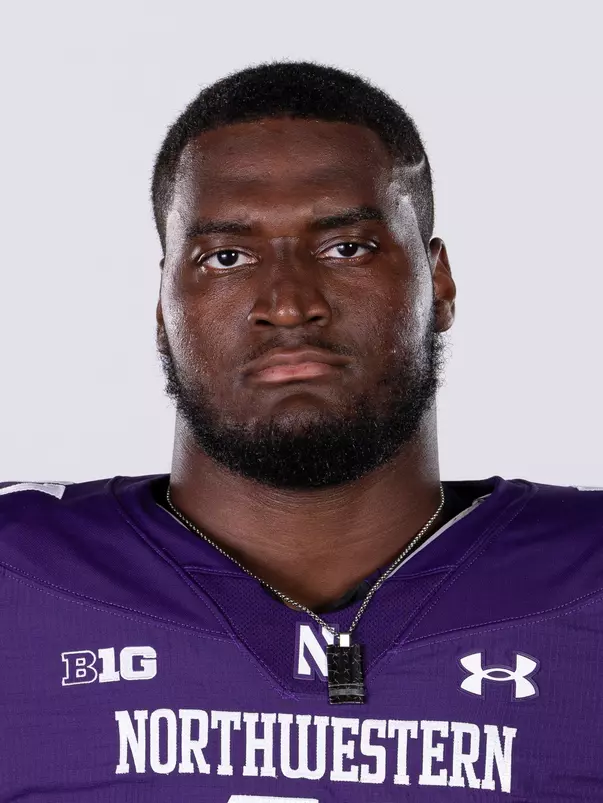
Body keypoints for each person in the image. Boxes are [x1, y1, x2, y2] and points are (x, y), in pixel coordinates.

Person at [1, 60, 602, 803]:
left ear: (437, 282)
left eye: (345, 247)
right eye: (227, 257)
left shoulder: (586, 579)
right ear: (163, 308)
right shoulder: (18, 574)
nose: (287, 304)